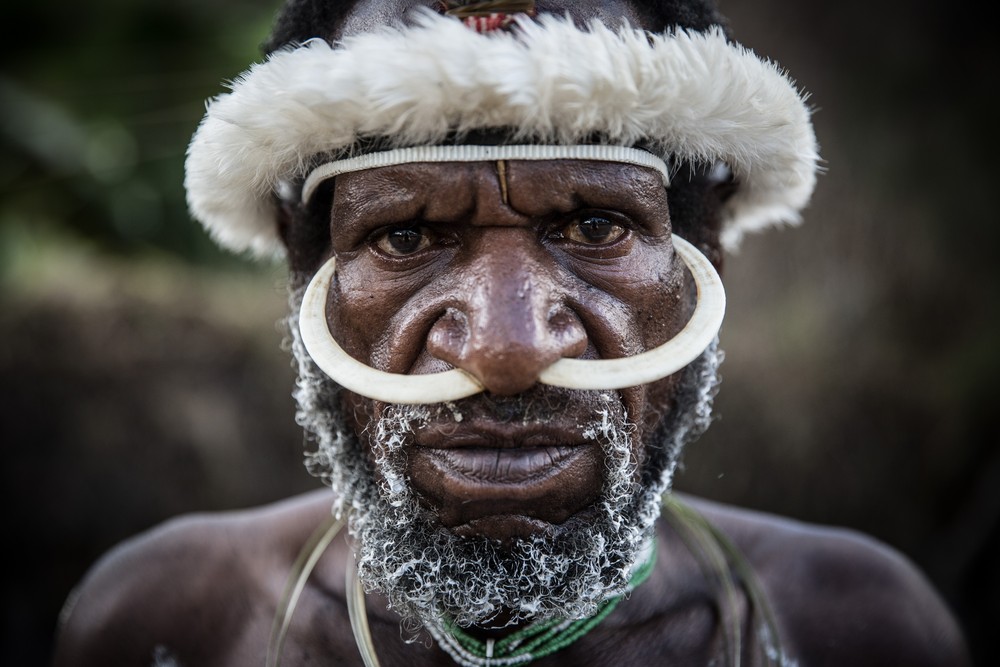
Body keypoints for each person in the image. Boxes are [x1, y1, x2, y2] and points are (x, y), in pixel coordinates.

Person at [52, 1, 971, 665]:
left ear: (707, 261)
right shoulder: (171, 622)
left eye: (595, 227)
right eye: (405, 235)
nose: (505, 350)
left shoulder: (855, 626)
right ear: (308, 276)